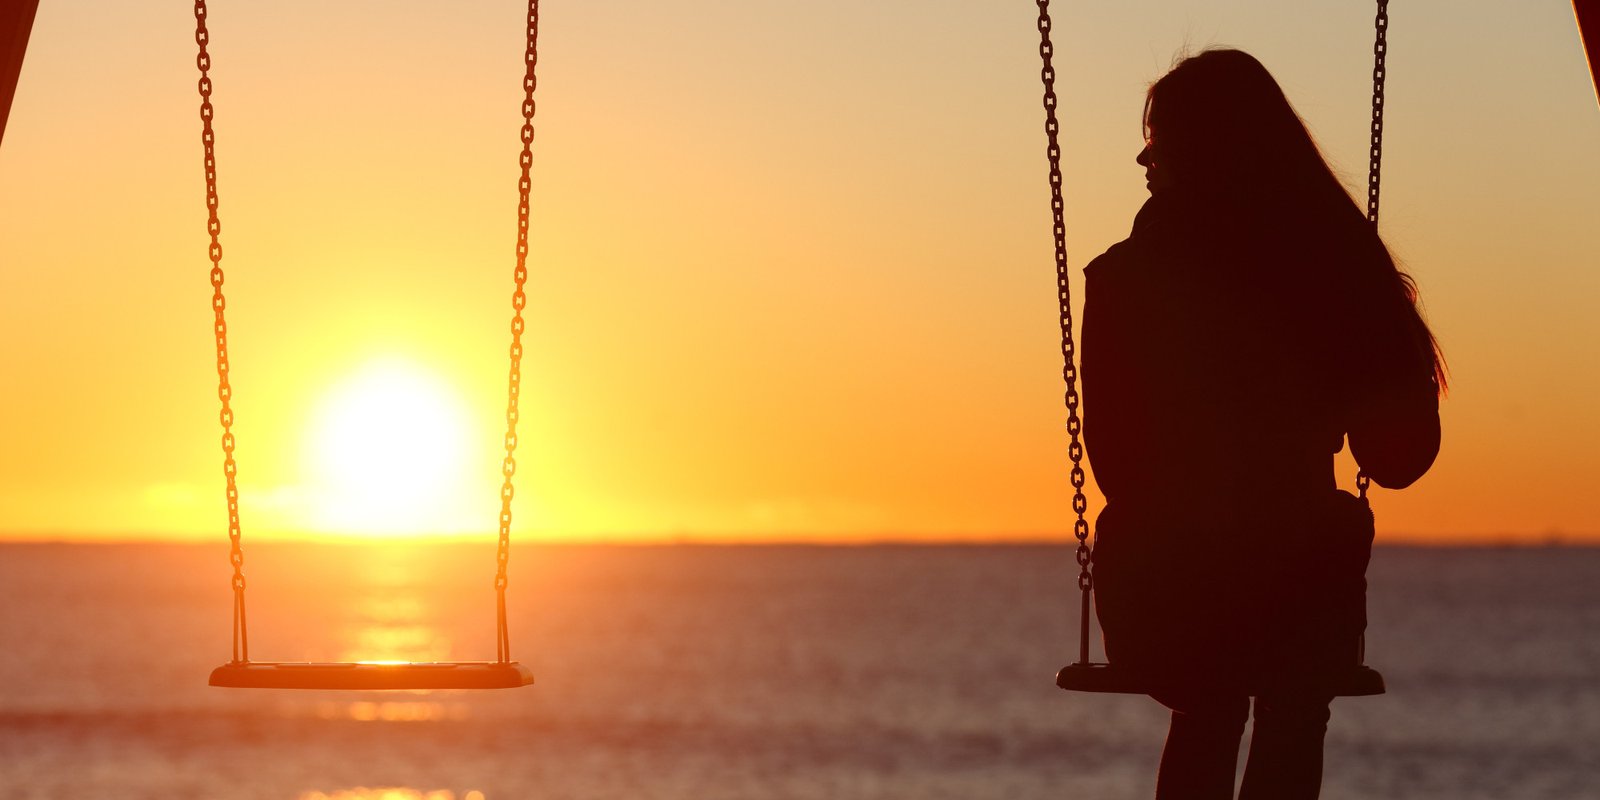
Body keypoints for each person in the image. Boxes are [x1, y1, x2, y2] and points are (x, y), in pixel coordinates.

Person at [1080, 49, 1444, 800]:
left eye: (1159, 140)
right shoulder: (1335, 272)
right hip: (1299, 584)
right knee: (1293, 701)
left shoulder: (1122, 280)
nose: (1143, 158)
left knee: (1207, 703)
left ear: (1198, 152)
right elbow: (1399, 456)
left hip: (1165, 585)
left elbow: (1115, 457)